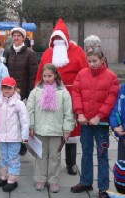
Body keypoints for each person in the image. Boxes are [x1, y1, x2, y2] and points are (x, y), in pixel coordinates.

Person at [35, 18, 88, 176]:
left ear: (65, 38)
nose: (57, 41)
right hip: (50, 96)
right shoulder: (47, 53)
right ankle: (52, 162)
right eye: (55, 38)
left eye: (60, 38)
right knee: (52, 130)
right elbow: (39, 74)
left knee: (70, 130)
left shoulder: (78, 52)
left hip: (71, 96)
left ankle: (71, 163)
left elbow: (85, 73)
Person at [71, 47, 120, 198]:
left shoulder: (111, 77)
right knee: (86, 153)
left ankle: (103, 187)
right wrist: (79, 112)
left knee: (102, 154)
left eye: (95, 61)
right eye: (89, 61)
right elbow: (76, 93)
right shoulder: (81, 74)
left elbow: (111, 99)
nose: (92, 64)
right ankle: (86, 181)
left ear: (102, 60)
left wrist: (99, 116)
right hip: (86, 123)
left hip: (101, 125)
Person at [27, 63, 75, 193]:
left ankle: (53, 180)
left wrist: (67, 130)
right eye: (44, 76)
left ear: (55, 76)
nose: (47, 79)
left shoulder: (63, 93)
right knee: (41, 156)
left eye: (50, 76)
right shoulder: (36, 91)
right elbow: (30, 109)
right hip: (40, 129)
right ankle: (40, 178)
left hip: (56, 130)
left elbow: (68, 112)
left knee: (55, 156)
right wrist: (31, 125)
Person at [3, 27, 38, 156]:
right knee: (11, 118)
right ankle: (13, 141)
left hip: (23, 92)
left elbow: (33, 74)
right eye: (14, 36)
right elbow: (5, 70)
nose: (16, 38)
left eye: (19, 36)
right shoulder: (8, 52)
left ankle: (23, 144)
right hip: (9, 91)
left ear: (23, 38)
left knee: (22, 119)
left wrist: (29, 91)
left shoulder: (30, 53)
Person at [0, 77, 29, 193]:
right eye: (4, 88)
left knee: (13, 158)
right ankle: (4, 176)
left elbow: (24, 120)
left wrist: (25, 136)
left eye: (9, 88)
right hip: (2, 136)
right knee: (4, 157)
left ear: (14, 89)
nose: (7, 90)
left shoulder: (18, 104)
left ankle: (12, 179)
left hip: (14, 137)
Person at [110, 83, 125, 160]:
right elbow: (116, 109)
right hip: (122, 137)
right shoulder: (123, 88)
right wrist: (115, 125)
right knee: (121, 166)